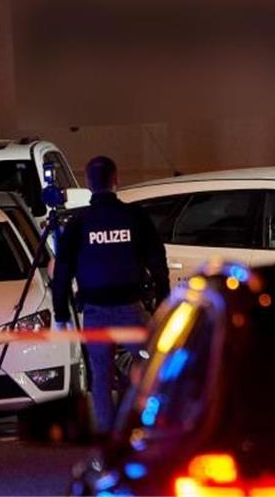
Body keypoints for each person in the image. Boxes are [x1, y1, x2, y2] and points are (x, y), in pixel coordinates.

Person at [51, 155, 170, 434]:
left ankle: (108, 435)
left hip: (95, 311)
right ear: (116, 180)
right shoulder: (134, 217)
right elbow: (158, 262)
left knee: (101, 378)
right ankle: (151, 428)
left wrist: (60, 313)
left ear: (88, 183)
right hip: (131, 308)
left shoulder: (79, 223)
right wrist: (164, 303)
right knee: (152, 369)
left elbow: (63, 272)